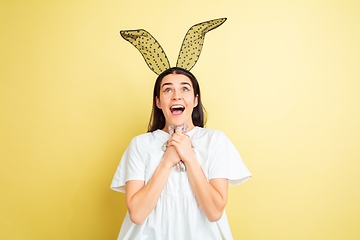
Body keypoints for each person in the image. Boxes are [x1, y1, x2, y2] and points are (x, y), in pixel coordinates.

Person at [111, 67, 252, 239]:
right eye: (168, 90)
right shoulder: (140, 144)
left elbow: (214, 212)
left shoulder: (215, 140)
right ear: (158, 101)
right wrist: (166, 162)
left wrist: (189, 157)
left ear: (195, 100)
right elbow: (137, 215)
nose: (176, 96)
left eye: (185, 89)